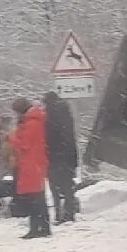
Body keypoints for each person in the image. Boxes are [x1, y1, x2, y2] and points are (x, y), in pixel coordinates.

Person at [9, 94, 51, 239]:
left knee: (35, 198)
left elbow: (23, 145)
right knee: (38, 197)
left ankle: (37, 228)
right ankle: (43, 227)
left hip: (31, 163)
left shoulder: (31, 123)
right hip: (35, 163)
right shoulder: (34, 121)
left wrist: (12, 137)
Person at [42, 88, 81, 225]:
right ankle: (69, 213)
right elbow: (70, 138)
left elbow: (47, 139)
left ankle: (58, 214)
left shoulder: (48, 116)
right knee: (68, 187)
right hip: (67, 157)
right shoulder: (66, 114)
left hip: (53, 158)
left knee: (55, 188)